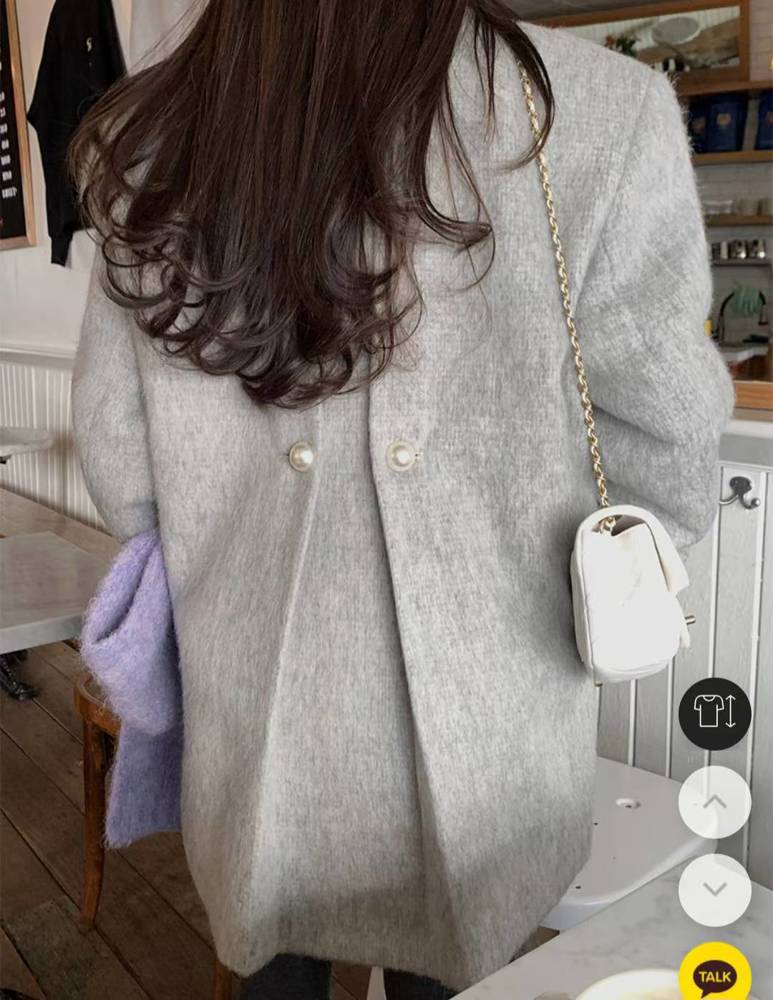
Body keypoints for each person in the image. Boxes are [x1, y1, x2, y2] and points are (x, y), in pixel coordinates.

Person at [68, 2, 735, 997]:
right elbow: (667, 451)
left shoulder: (149, 135)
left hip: (254, 704)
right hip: (492, 725)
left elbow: (118, 454)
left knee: (270, 958)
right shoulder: (598, 107)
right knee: (455, 967)